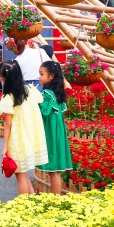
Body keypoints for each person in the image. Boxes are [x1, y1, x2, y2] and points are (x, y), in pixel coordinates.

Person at [0, 62, 48, 196]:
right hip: (30, 137)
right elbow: (40, 102)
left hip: (17, 140)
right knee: (23, 172)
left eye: (1, 77)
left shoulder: (9, 97)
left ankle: (23, 205)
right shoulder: (31, 90)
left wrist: (5, 146)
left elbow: (8, 124)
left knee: (20, 175)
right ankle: (32, 199)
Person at [38, 61, 72, 194]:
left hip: (51, 131)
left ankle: (55, 199)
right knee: (55, 169)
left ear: (51, 76)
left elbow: (44, 112)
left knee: (53, 169)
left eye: (42, 74)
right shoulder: (56, 93)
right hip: (57, 130)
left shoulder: (47, 94)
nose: (39, 77)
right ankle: (55, 198)